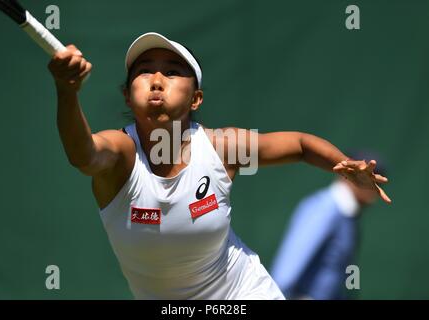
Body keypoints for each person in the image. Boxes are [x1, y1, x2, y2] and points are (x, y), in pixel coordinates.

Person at [47, 32, 391, 299]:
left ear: (196, 98)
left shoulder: (221, 147)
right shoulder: (121, 154)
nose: (156, 79)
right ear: (127, 95)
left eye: (171, 72)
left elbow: (300, 145)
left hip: (245, 293)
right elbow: (84, 155)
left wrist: (344, 166)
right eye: (144, 71)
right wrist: (67, 91)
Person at [269, 151, 388, 300]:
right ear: (347, 175)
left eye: (377, 178)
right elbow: (285, 273)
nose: (373, 185)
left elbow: (346, 276)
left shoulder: (349, 215)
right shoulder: (324, 208)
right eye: (368, 177)